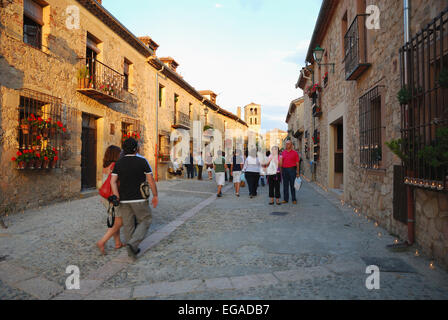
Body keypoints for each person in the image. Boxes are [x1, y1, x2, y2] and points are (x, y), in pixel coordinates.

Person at [111, 138, 159, 260]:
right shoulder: (142, 161)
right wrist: (155, 195)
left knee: (128, 224)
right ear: (136, 148)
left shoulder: (119, 163)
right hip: (139, 198)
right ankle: (133, 244)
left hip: (124, 199)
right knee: (146, 219)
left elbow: (113, 181)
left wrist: (116, 195)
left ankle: (132, 251)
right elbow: (150, 180)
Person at [97, 145, 124, 255]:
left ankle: (118, 243)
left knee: (115, 219)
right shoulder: (115, 166)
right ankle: (102, 241)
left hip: (105, 197)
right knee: (120, 221)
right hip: (113, 197)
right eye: (120, 153)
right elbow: (116, 182)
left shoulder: (105, 166)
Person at [280, 140, 300, 204]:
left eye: (288, 144)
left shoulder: (295, 153)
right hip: (284, 170)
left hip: (292, 170)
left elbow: (297, 163)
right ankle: (286, 199)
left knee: (292, 185)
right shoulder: (283, 152)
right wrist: (280, 171)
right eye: (286, 144)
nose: (287, 145)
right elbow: (281, 162)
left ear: (291, 145)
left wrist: (297, 172)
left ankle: (294, 199)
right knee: (285, 185)